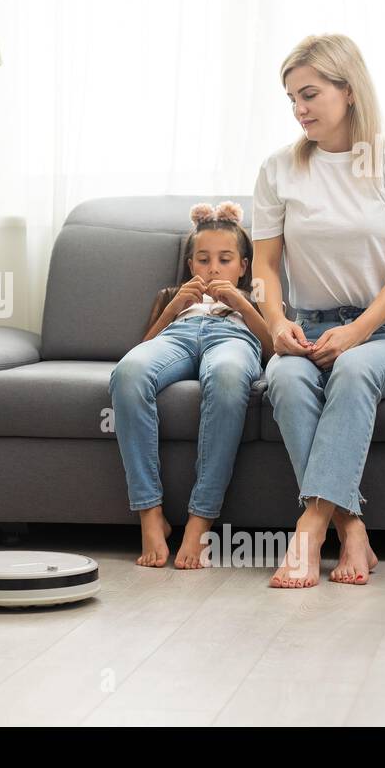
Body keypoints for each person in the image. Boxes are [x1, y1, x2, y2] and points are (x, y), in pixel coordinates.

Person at [252, 33, 385, 588]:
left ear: (349, 89)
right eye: (291, 99)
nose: (299, 109)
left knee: (354, 367)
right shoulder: (279, 169)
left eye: (309, 94)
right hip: (306, 329)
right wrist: (276, 321)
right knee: (283, 378)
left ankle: (310, 530)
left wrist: (356, 332)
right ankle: (351, 526)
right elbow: (263, 267)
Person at [109, 201, 273, 568]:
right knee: (128, 373)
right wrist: (172, 310)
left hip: (232, 338)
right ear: (190, 265)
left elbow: (274, 349)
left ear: (243, 266)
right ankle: (151, 516)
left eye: (225, 259)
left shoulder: (253, 297)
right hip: (178, 335)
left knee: (228, 378)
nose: (213, 267)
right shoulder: (173, 297)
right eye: (203, 259)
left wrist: (242, 306)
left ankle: (200, 521)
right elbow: (145, 347)